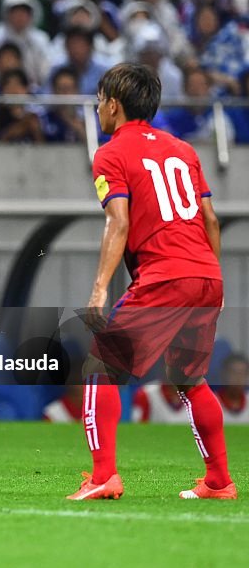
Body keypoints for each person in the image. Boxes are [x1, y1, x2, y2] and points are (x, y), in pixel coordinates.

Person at [70, 63, 235, 501]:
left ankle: (103, 476)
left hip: (165, 275)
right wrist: (210, 275)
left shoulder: (110, 153)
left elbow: (118, 221)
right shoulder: (183, 150)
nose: (97, 109)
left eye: (99, 101)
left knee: (100, 367)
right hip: (206, 274)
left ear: (113, 105)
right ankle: (219, 481)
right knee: (189, 378)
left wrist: (99, 288)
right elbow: (210, 220)